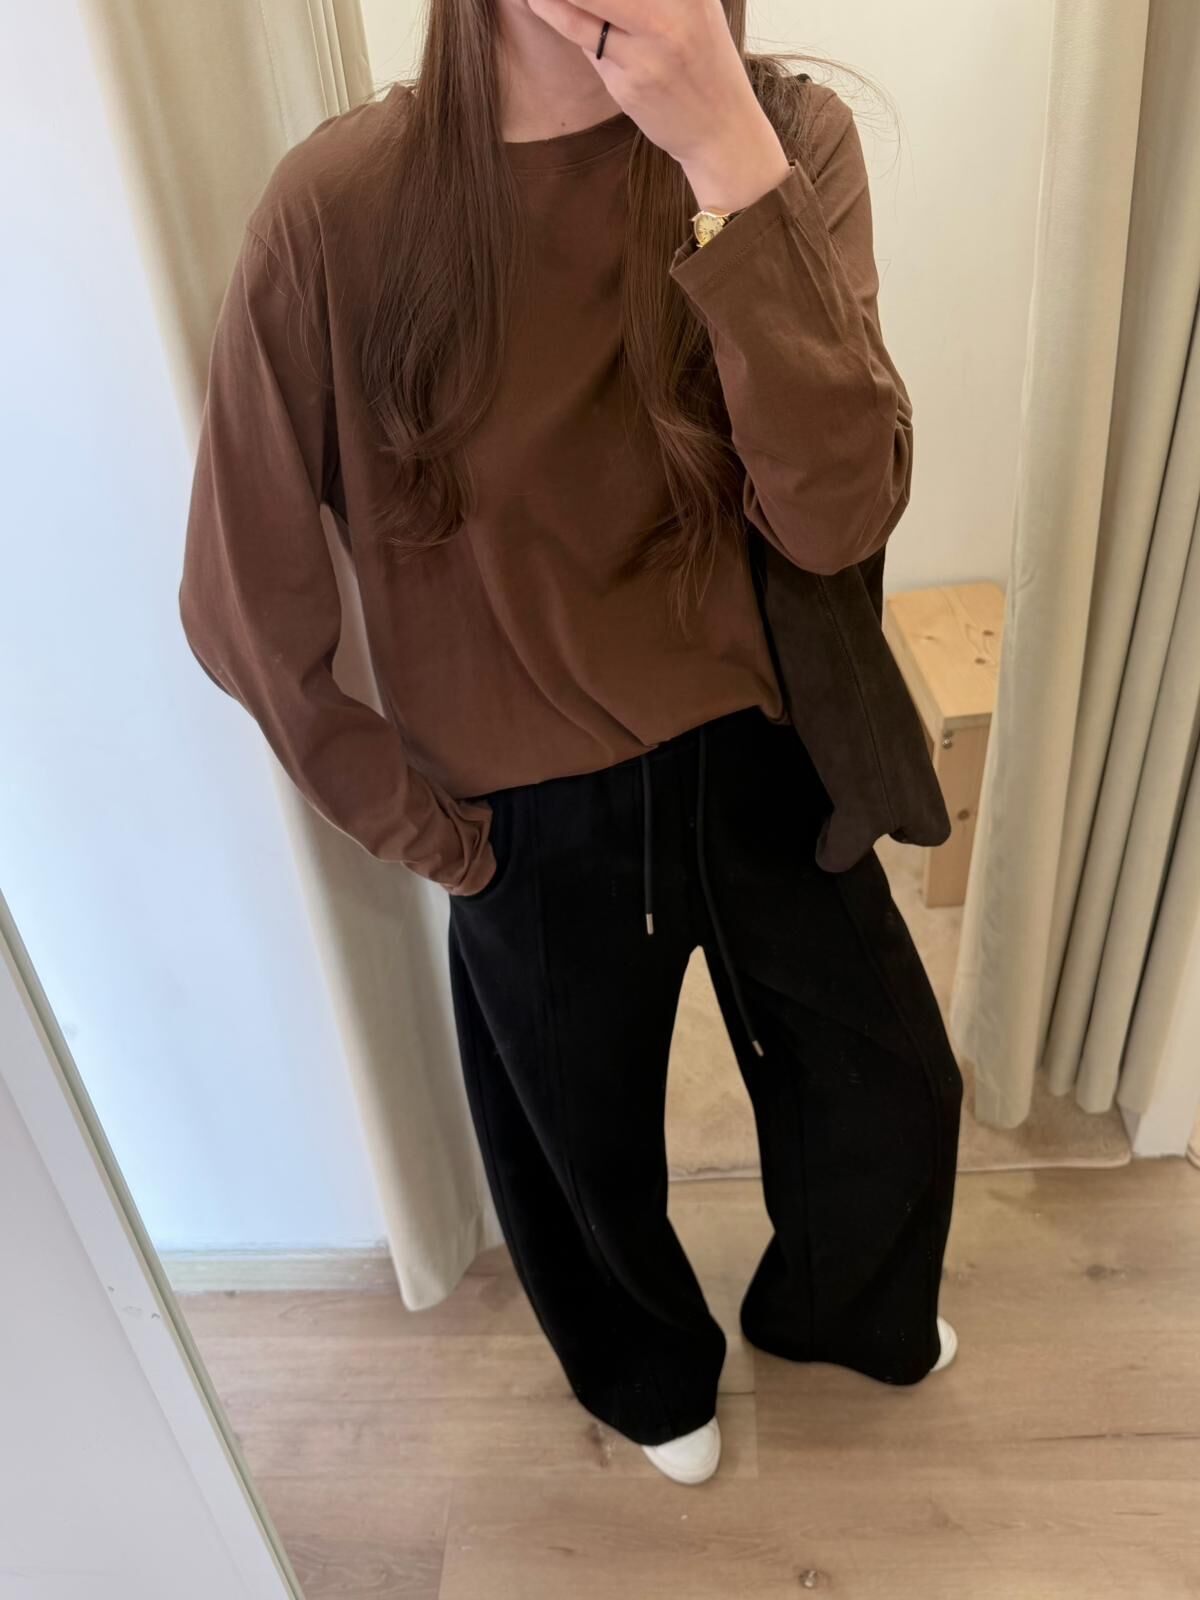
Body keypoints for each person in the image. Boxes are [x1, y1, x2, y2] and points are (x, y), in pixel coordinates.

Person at [179, 0, 964, 1487]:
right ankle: (648, 1377)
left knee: (891, 1087)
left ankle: (844, 1311)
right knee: (575, 1149)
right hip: (523, 807)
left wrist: (725, 154)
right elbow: (240, 599)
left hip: (768, 742)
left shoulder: (789, 136)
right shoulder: (340, 209)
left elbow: (840, 517)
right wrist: (422, 830)